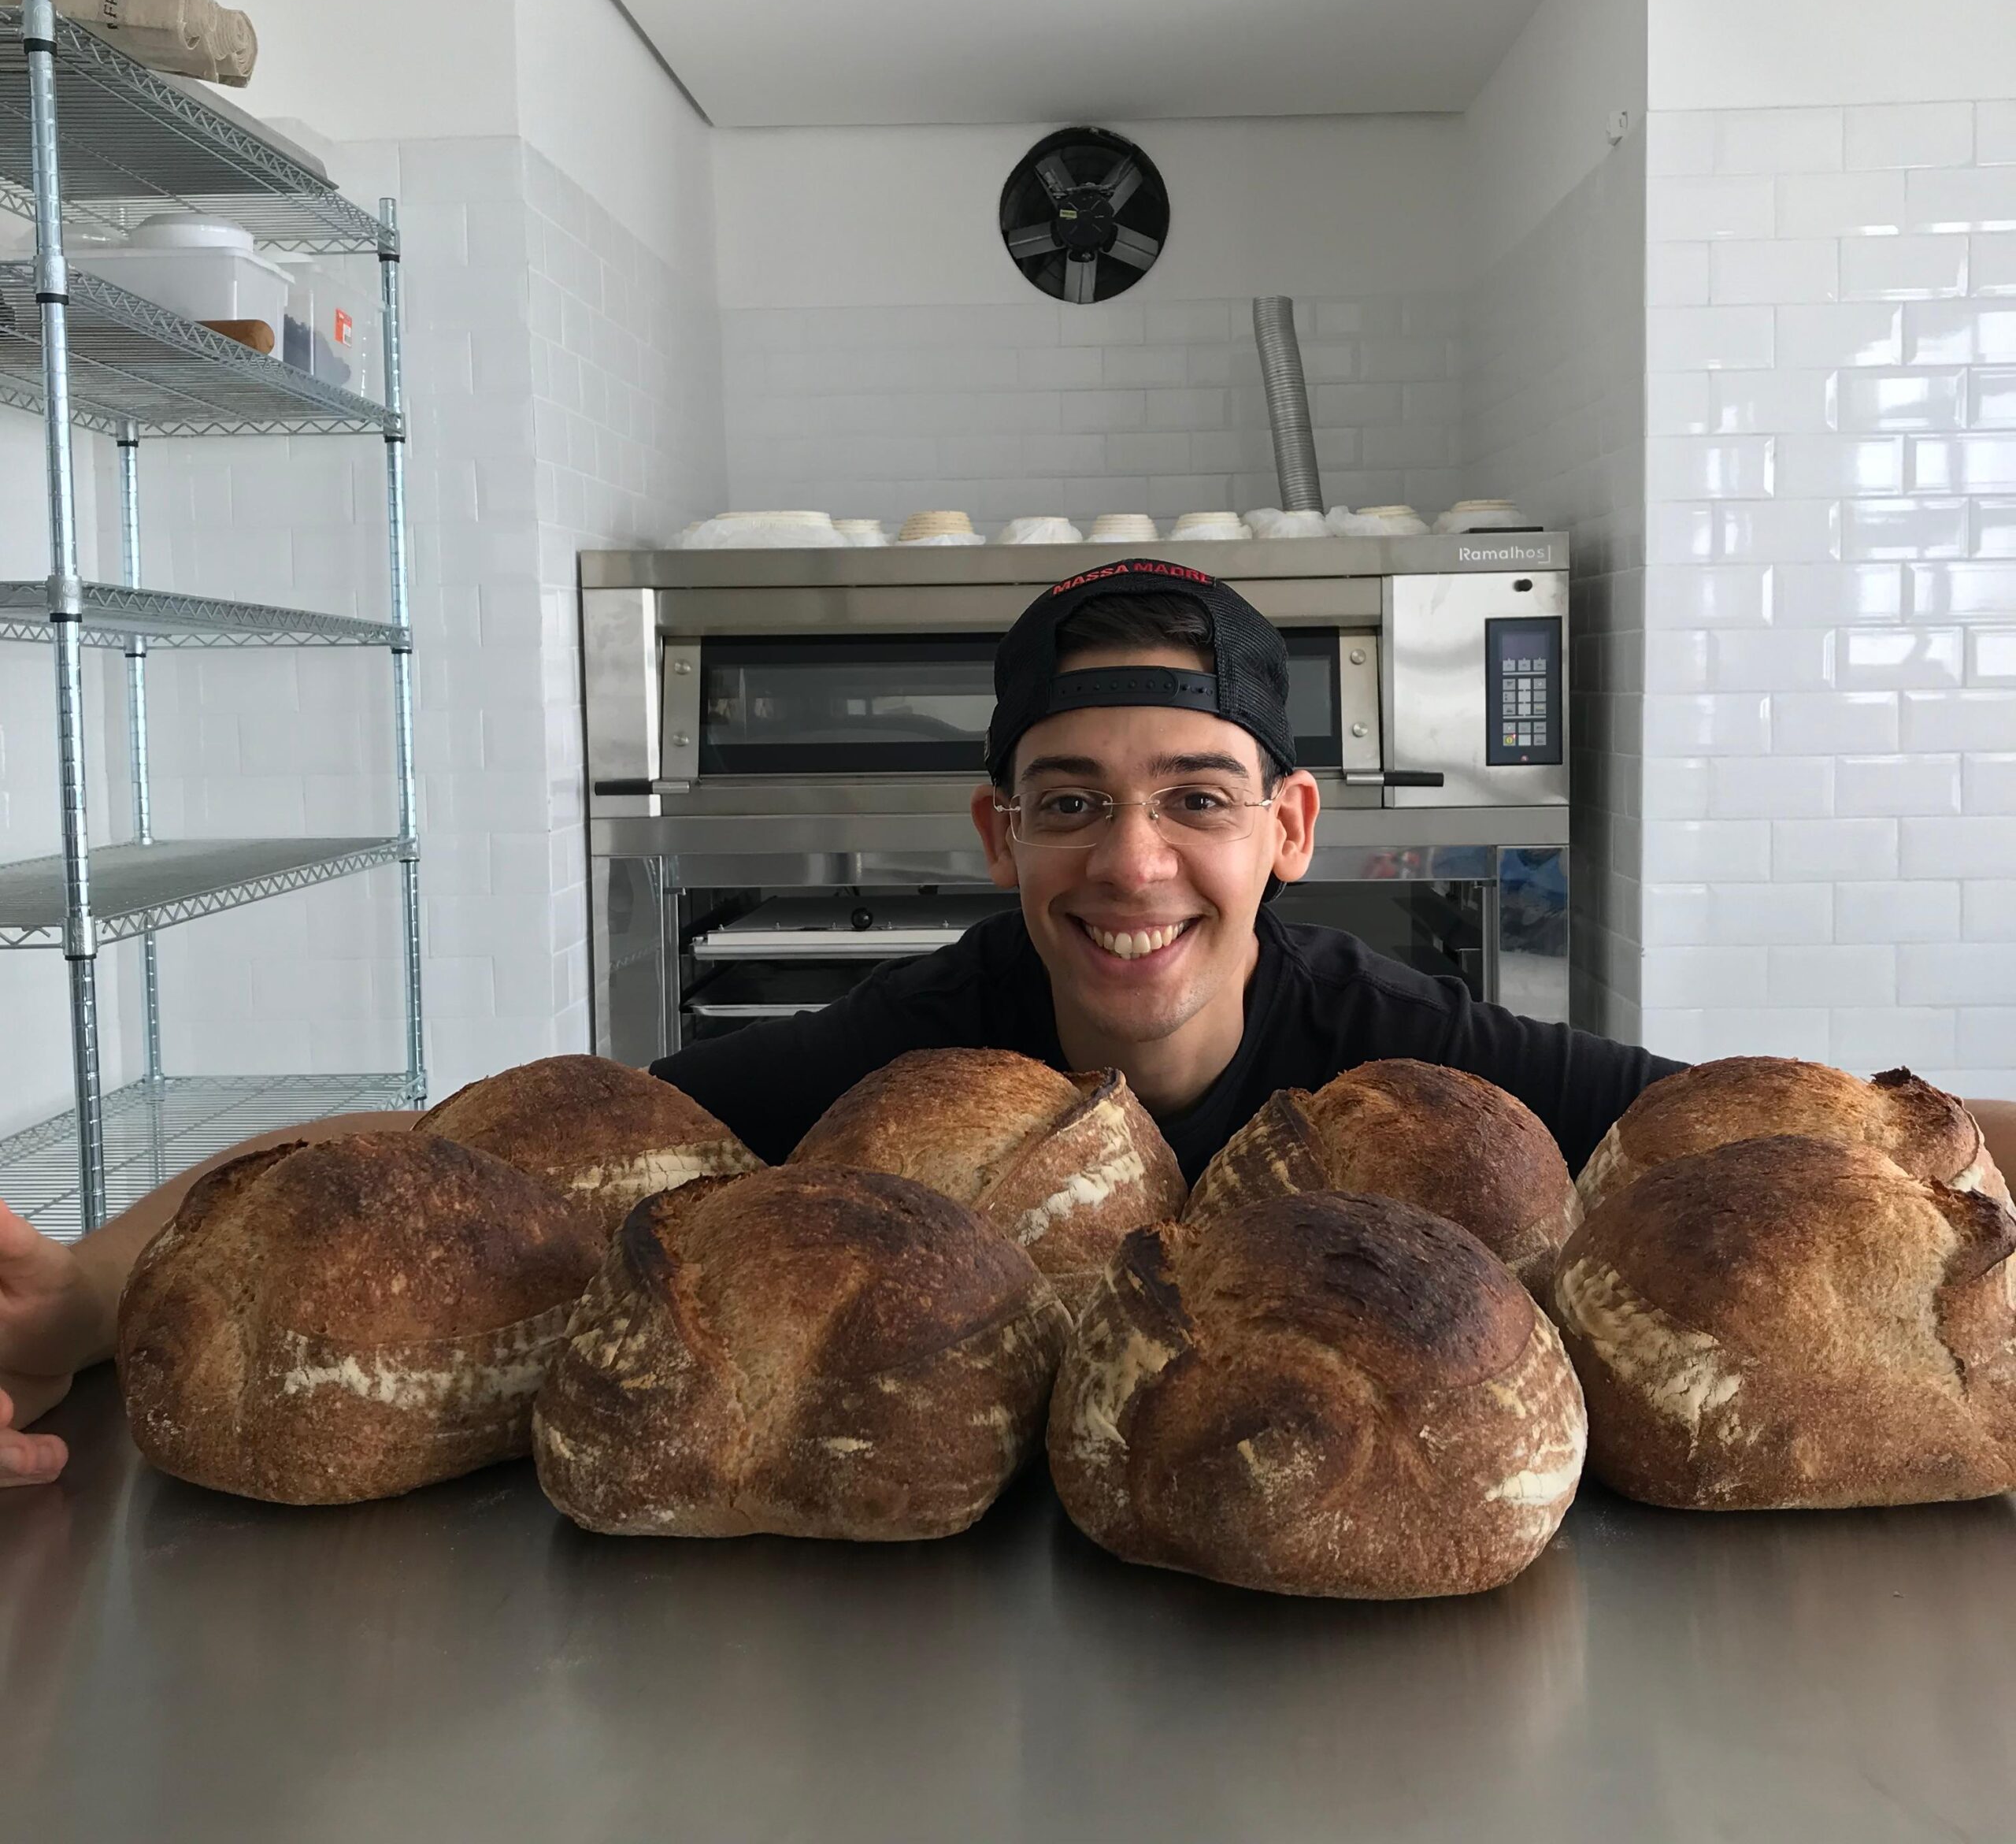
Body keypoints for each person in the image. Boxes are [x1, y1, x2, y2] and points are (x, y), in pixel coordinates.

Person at [5, 559, 2010, 1486]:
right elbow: (440, 1163)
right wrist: (87, 1294)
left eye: (1192, 797)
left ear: (1287, 826)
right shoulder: (909, 1064)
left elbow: (1824, 1146)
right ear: (999, 826)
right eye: (1069, 800)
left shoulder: (1410, 1061)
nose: (1128, 864)